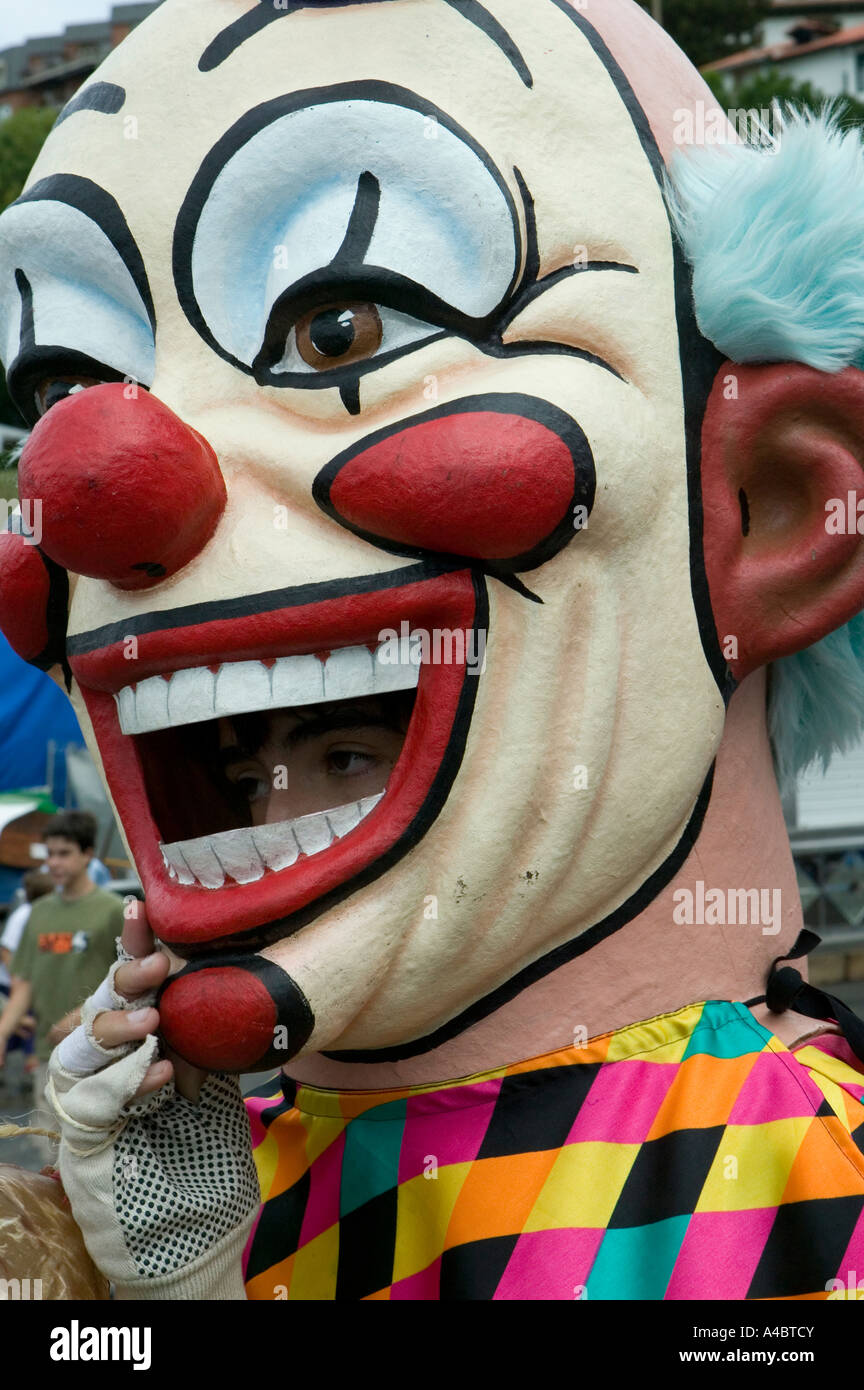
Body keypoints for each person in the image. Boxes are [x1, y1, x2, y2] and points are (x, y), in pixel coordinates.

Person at [5, 0, 864, 1301]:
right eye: (60, 383)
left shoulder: (807, 1194)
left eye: (343, 322)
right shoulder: (212, 1191)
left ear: (776, 507)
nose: (92, 482)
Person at [0, 813, 123, 1156]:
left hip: (100, 1057)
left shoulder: (111, 911)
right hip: (47, 1057)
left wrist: (81, 1016)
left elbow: (127, 983)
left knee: (97, 1156)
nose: (53, 862)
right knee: (50, 1157)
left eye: (64, 853)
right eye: (49, 853)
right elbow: (22, 985)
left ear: (87, 854)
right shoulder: (38, 913)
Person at [0, 870, 54, 1064]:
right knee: (18, 1026)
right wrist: (18, 980)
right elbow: (6, 951)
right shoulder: (24, 916)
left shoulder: (42, 914)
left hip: (30, 984)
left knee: (29, 1028)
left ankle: (30, 1064)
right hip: (12, 984)